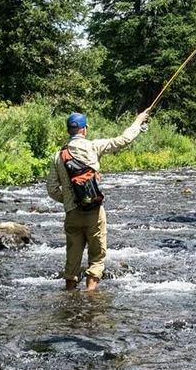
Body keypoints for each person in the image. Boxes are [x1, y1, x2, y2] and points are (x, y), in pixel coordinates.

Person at [46, 110, 148, 291]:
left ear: (69, 130)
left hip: (72, 213)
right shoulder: (94, 146)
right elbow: (122, 140)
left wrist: (69, 200)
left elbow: (52, 189)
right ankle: (91, 298)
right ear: (84, 129)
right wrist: (138, 123)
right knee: (97, 257)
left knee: (72, 258)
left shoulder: (58, 156)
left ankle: (70, 295)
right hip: (94, 211)